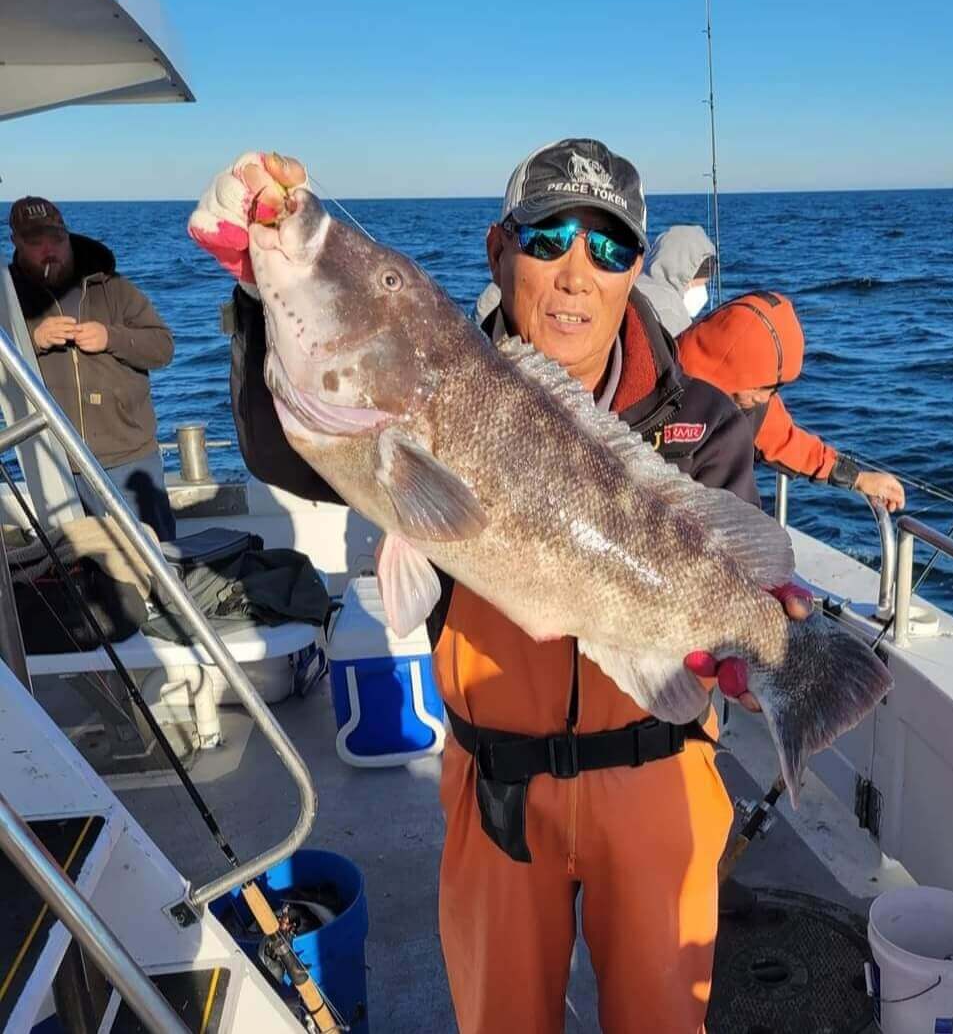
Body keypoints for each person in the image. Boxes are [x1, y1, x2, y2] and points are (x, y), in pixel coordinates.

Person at [191, 140, 811, 1034]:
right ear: (498, 249)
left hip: (659, 779)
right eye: (550, 236)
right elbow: (276, 443)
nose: (574, 274)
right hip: (496, 789)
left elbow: (731, 567)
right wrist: (260, 294)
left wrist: (750, 648)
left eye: (606, 249)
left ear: (637, 269)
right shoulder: (439, 372)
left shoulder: (698, 417)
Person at [7, 197, 177, 540]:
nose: (48, 250)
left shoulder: (113, 288)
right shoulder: (7, 301)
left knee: (159, 563)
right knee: (81, 574)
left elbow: (163, 348)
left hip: (129, 458)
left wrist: (110, 337)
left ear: (68, 235)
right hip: (55, 465)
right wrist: (32, 341)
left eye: (55, 239)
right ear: (16, 243)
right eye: (35, 242)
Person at [678, 290, 905, 511]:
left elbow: (787, 442)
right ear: (737, 371)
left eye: (776, 387)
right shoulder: (655, 385)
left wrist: (857, 478)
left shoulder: (751, 406)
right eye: (766, 387)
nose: (766, 398)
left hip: (727, 536)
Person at [633, 224, 716, 337]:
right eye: (701, 284)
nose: (703, 291)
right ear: (685, 276)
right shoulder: (671, 313)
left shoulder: (635, 284)